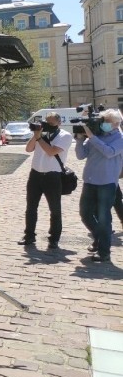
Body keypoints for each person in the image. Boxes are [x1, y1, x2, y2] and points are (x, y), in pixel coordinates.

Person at [75, 109, 123, 262]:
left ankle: (104, 252)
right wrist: (79, 139)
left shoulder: (119, 138)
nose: (103, 124)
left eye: (106, 121)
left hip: (107, 183)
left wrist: (91, 136)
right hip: (90, 181)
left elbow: (108, 152)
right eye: (102, 121)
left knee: (104, 218)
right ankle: (99, 238)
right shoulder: (97, 136)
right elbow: (81, 155)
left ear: (116, 124)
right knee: (85, 214)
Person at [22, 112, 74, 249]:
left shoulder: (65, 136)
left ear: (59, 123)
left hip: (53, 176)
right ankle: (29, 235)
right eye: (47, 123)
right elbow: (28, 149)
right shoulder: (41, 134)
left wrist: (40, 139)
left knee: (55, 209)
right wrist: (36, 135)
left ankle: (54, 238)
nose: (49, 126)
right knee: (31, 207)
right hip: (35, 174)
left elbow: (51, 152)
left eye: (52, 123)